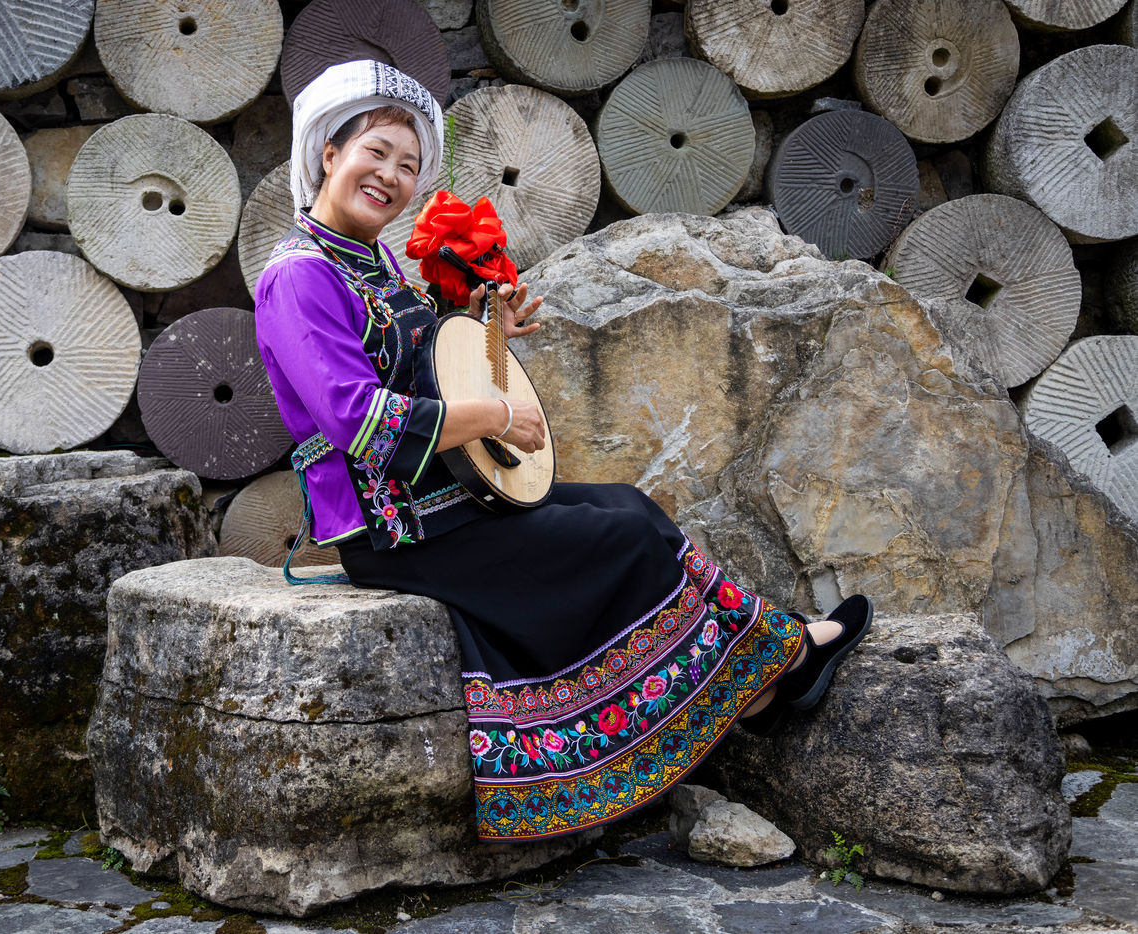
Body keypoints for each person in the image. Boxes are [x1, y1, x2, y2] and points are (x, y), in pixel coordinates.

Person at [253, 60, 872, 843]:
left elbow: (417, 367)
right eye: (375, 153)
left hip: (437, 503)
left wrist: (488, 333)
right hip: (394, 530)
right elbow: (359, 420)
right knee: (621, 537)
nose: (391, 176)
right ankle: (778, 661)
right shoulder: (298, 279)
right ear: (327, 154)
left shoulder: (370, 263)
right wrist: (492, 415)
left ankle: (764, 678)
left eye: (407, 165)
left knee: (629, 506)